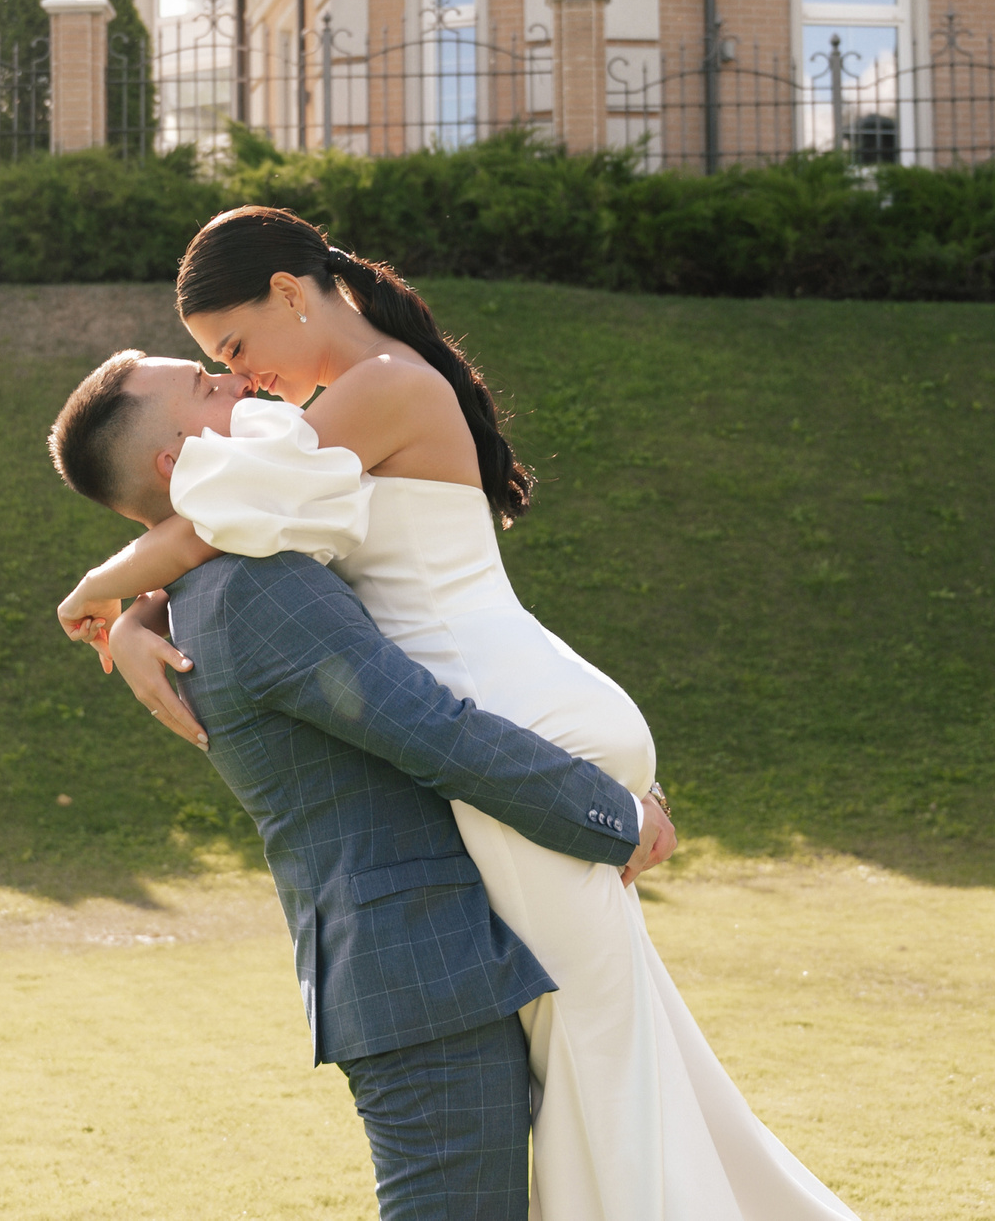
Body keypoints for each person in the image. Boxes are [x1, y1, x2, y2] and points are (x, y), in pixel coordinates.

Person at [54, 206, 860, 1221]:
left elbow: (213, 526)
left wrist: (104, 591)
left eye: (233, 349)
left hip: (514, 717)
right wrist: (140, 614)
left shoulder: (375, 391)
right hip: (527, 706)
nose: (239, 377)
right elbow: (223, 534)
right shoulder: (335, 418)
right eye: (215, 367)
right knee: (615, 1061)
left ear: (291, 293)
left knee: (606, 1072)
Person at [50, 371, 673, 1221]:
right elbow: (436, 733)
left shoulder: (230, 578)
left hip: (433, 964)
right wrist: (616, 817)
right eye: (203, 383)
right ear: (179, 458)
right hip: (421, 975)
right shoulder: (258, 590)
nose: (233, 379)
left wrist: (132, 613)